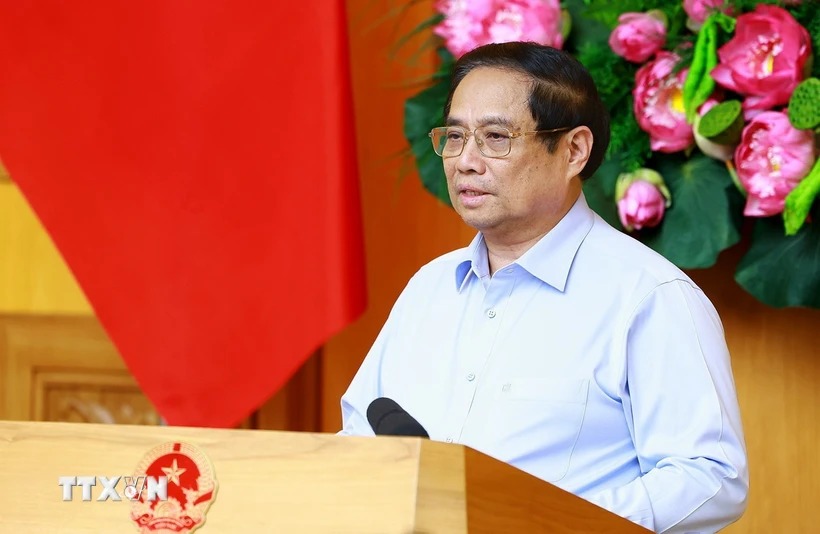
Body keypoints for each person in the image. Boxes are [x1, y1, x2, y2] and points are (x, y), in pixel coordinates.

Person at [339, 42, 748, 533]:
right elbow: (359, 432)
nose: (465, 161)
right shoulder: (429, 289)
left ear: (573, 150)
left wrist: (549, 522)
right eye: (454, 136)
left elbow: (710, 477)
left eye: (494, 137)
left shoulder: (648, 296)